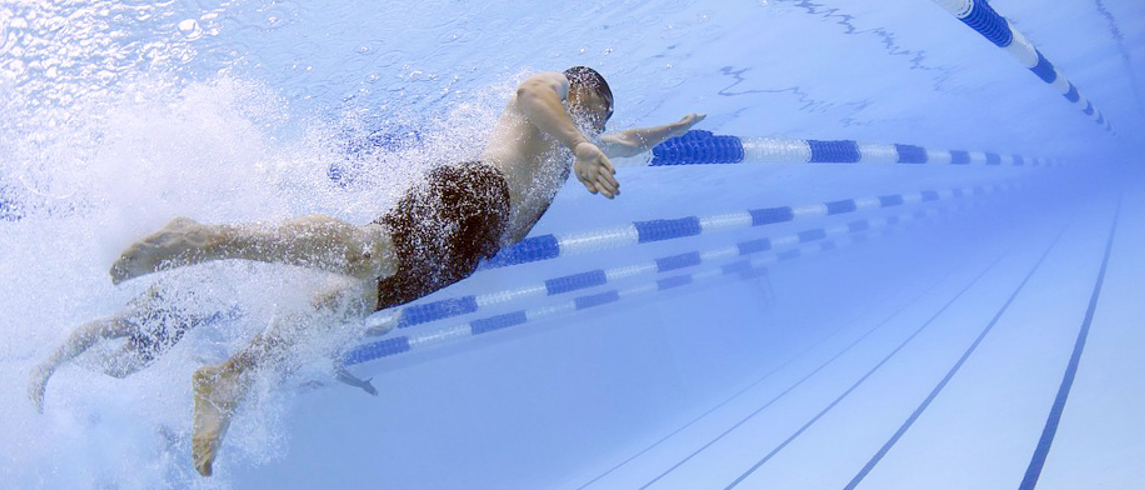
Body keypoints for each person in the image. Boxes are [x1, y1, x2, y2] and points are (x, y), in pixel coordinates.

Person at [69, 66, 705, 476]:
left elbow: (622, 140)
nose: (590, 122)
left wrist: (666, 131)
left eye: (595, 118)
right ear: (576, 88)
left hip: (470, 249)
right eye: (587, 108)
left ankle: (229, 375)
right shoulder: (555, 100)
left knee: (351, 300)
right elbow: (531, 96)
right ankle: (201, 239)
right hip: (474, 194)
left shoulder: (582, 143)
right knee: (367, 255)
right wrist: (578, 140)